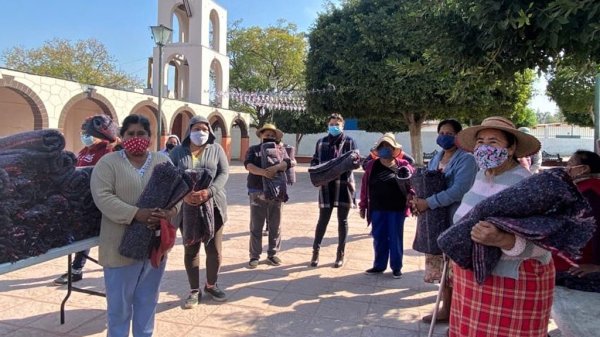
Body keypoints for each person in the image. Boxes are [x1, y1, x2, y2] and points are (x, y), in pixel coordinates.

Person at [448, 116, 553, 337]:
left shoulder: (527, 186)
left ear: (512, 147)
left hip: (512, 284)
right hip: (472, 280)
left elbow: (547, 242)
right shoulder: (480, 176)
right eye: (480, 141)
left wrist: (504, 240)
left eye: (493, 142)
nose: (485, 147)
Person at [90, 114, 178, 337]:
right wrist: (136, 214)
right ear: (122, 136)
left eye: (142, 133)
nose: (136, 138)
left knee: (147, 303)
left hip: (154, 247)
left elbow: (177, 197)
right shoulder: (108, 163)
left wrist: (169, 212)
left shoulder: (162, 161)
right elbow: (103, 196)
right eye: (131, 134)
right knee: (119, 310)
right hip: (119, 247)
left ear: (150, 137)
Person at [410, 119, 477, 323]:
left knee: (454, 271)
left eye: (449, 133)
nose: (444, 136)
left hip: (454, 220)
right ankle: (446, 309)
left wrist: (428, 202)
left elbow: (459, 190)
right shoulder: (436, 156)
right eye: (441, 132)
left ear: (458, 136)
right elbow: (428, 182)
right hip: (435, 221)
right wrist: (416, 200)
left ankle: (455, 313)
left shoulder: (467, 160)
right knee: (443, 270)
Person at [169, 115, 229, 307]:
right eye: (196, 129)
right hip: (186, 208)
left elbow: (224, 173)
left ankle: (211, 284)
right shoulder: (178, 152)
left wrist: (209, 192)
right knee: (191, 249)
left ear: (210, 131)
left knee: (214, 251)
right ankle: (194, 291)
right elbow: (169, 176)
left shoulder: (216, 149)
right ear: (189, 130)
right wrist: (183, 195)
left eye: (204, 129)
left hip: (214, 206)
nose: (200, 132)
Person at [53, 115, 116, 285]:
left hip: (97, 200)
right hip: (80, 200)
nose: (84, 136)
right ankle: (76, 268)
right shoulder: (84, 151)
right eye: (82, 133)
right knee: (81, 235)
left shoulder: (108, 151)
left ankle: (77, 269)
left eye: (86, 133)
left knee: (87, 235)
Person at [359, 133, 413, 279]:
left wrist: (412, 196)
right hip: (377, 208)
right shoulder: (371, 166)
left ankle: (396, 267)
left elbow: (412, 185)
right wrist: (363, 205)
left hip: (396, 209)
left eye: (388, 146)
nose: (385, 149)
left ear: (394, 149)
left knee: (395, 238)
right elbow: (365, 187)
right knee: (379, 237)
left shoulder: (403, 166)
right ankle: (379, 265)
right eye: (382, 146)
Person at [310, 113, 359, 268]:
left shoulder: (350, 142)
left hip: (344, 185)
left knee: (342, 221)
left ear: (342, 126)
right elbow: (314, 161)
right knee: (322, 220)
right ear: (328, 125)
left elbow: (356, 161)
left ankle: (340, 254)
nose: (334, 127)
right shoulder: (321, 142)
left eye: (337, 124)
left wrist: (353, 162)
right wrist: (317, 171)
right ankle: (315, 252)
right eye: (332, 124)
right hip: (326, 187)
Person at [244, 123, 292, 269]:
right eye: (267, 135)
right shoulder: (253, 150)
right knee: (256, 225)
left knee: (275, 225)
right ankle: (254, 255)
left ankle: (272, 253)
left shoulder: (280, 150)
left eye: (272, 135)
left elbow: (287, 163)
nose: (269, 137)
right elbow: (248, 165)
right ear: (261, 135)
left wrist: (275, 168)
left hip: (276, 191)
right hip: (257, 190)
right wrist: (263, 172)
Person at [553, 150, 600, 292]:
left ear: (584, 169)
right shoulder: (579, 189)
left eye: (570, 164)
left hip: (576, 264)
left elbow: (596, 230)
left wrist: (597, 265)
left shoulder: (591, 192)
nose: (566, 168)